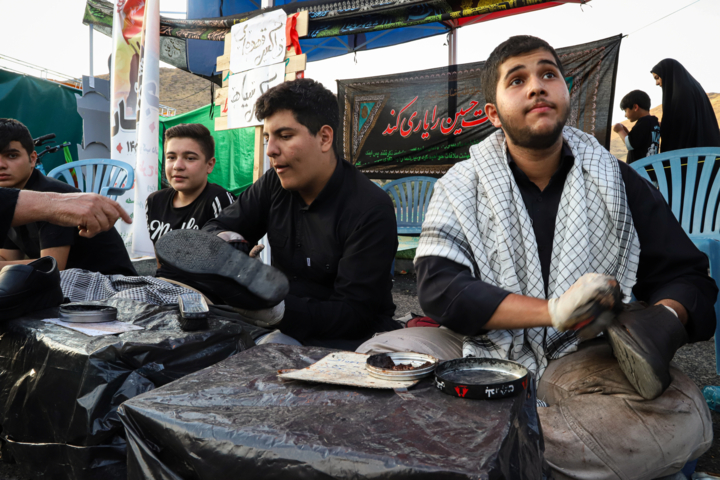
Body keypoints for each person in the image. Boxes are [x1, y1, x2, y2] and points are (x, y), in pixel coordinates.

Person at [357, 36, 716, 479]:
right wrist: (552, 312)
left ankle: (457, 443)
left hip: (585, 354)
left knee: (679, 416)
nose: (536, 87)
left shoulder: (615, 179)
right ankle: (517, 450)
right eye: (517, 79)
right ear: (492, 113)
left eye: (549, 74)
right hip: (475, 344)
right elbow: (439, 287)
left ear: (567, 93)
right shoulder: (460, 185)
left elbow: (688, 276)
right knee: (366, 367)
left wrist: (664, 318)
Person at [161, 79, 399, 349]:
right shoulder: (275, 182)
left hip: (351, 342)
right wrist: (229, 244)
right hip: (278, 328)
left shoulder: (370, 208)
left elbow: (355, 314)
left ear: (324, 138)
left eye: (284, 136)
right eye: (267, 138)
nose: (271, 150)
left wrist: (277, 310)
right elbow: (217, 227)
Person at [0, 119, 136, 275]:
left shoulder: (53, 196)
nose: (1, 165)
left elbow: (52, 267)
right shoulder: (8, 199)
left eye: (11, 155)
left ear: (32, 159)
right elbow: (6, 256)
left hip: (110, 284)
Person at [146, 123, 236, 281]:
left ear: (209, 165)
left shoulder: (218, 200)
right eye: (171, 157)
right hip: (162, 287)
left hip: (205, 294)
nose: (177, 166)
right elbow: (161, 263)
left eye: (190, 158)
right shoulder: (155, 201)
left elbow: (231, 265)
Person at [651, 58, 720, 152]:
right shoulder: (693, 88)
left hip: (688, 158)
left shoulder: (681, 94)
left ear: (668, 73)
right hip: (708, 155)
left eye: (657, 77)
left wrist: (665, 128)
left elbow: (683, 126)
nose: (657, 83)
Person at [612, 90, 660, 163]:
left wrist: (620, 130)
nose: (625, 115)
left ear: (635, 107)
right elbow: (638, 141)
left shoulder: (643, 122)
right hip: (650, 167)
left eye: (625, 111)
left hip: (638, 169)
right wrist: (628, 133)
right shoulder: (654, 122)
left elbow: (630, 144)